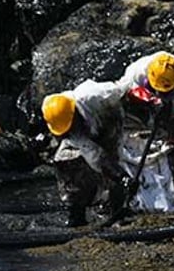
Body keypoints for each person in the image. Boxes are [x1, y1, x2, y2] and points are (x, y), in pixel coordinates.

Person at [115, 51, 174, 208]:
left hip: (168, 116)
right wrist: (145, 99)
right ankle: (122, 196)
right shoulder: (138, 71)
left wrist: (173, 140)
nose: (161, 93)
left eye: (165, 91)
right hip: (138, 110)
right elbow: (121, 91)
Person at [41, 80, 133, 227]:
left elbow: (124, 89)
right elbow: (95, 155)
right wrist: (120, 175)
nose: (69, 131)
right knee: (66, 161)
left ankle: (115, 210)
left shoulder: (99, 95)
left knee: (113, 161)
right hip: (90, 128)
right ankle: (76, 212)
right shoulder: (59, 116)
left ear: (75, 113)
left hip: (110, 118)